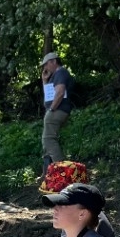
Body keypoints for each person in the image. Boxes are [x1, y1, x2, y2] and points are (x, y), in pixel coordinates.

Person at [41, 52, 74, 180]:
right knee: (46, 142)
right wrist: (44, 80)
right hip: (54, 110)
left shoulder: (61, 73)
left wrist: (52, 109)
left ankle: (62, 174)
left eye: (46, 64)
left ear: (54, 61)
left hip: (56, 111)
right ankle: (47, 173)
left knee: (48, 140)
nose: (45, 68)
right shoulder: (55, 75)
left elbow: (60, 93)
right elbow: (49, 94)